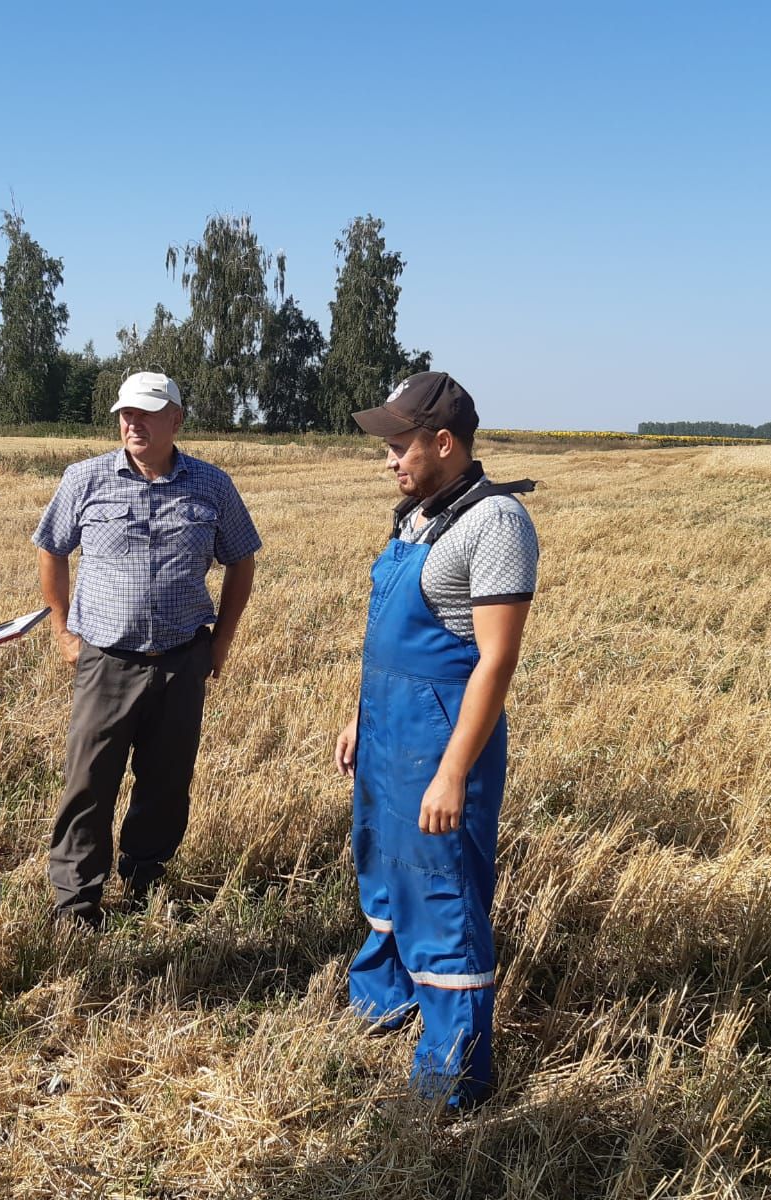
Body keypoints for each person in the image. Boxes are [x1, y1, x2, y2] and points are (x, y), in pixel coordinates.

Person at [334, 371, 538, 1105]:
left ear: (443, 443)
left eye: (398, 446)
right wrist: (361, 715)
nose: (387, 461)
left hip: (440, 742)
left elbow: (495, 659)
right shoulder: (413, 517)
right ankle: (383, 1004)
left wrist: (453, 772)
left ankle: (451, 1078)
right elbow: (385, 641)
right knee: (386, 874)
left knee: (443, 896)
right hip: (387, 736)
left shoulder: (496, 524)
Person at [33, 371, 261, 929]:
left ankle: (145, 880)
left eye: (146, 413)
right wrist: (64, 632)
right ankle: (76, 903)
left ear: (176, 420)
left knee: (166, 780)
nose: (131, 422)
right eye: (125, 413)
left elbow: (242, 559)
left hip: (184, 659)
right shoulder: (84, 479)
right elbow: (51, 549)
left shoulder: (211, 486)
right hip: (107, 661)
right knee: (88, 782)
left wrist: (221, 642)